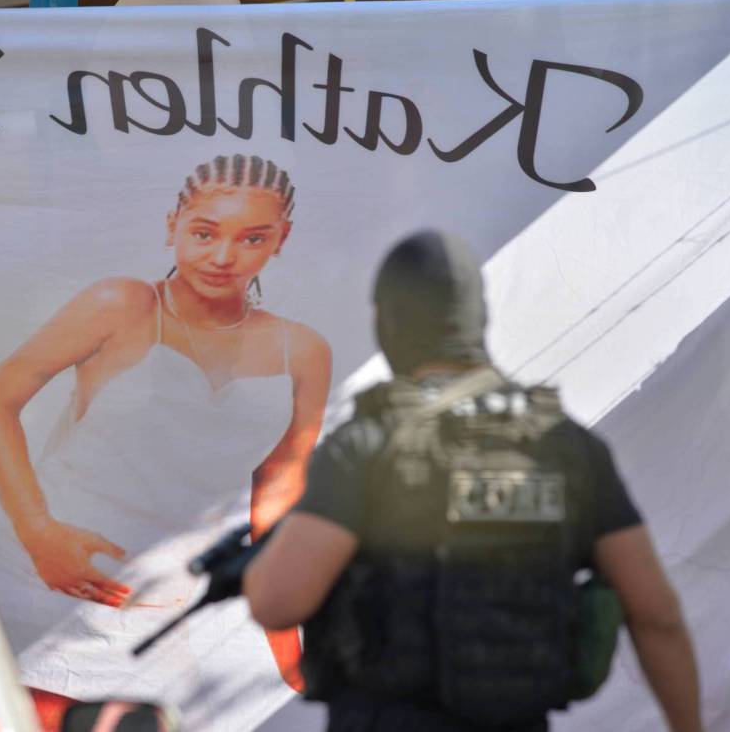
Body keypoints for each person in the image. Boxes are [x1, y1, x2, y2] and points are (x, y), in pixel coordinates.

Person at [242, 230, 703, 732]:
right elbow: (656, 615)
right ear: (478, 317)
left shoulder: (367, 445)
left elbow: (278, 602)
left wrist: (254, 566)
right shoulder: (565, 447)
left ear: (387, 321)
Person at [0, 154, 332, 731]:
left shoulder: (304, 351)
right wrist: (37, 532)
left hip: (188, 607)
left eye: (252, 238)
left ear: (280, 240)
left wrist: (287, 639)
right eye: (204, 233)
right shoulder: (120, 305)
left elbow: (278, 493)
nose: (222, 256)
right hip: (66, 588)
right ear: (173, 226)